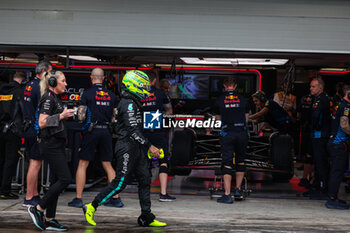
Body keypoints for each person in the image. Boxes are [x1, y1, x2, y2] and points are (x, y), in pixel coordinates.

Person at [83, 70, 166, 227]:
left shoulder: (134, 102)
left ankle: (146, 216)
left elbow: (136, 131)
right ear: (133, 86)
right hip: (126, 147)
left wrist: (145, 146)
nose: (146, 89)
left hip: (136, 147)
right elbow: (132, 130)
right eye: (142, 86)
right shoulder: (127, 103)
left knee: (144, 179)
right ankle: (91, 206)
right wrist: (150, 146)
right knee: (120, 183)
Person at [68, 68, 123, 208]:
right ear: (103, 78)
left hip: (91, 131)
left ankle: (78, 199)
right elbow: (115, 118)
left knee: (82, 164)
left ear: (91, 78)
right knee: (108, 165)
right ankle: (116, 198)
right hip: (106, 132)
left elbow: (80, 116)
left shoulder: (87, 94)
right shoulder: (112, 95)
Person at [27, 71, 75, 231]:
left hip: (57, 143)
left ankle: (50, 219)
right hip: (50, 144)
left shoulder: (54, 98)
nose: (66, 84)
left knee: (56, 181)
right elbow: (41, 122)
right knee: (65, 179)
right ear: (54, 83)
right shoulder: (48, 98)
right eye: (64, 81)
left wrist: (64, 115)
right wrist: (61, 116)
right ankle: (38, 208)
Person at [213, 77, 249, 204]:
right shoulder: (243, 99)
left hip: (228, 133)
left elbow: (218, 119)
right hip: (241, 133)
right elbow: (247, 118)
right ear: (235, 86)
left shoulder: (220, 99)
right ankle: (238, 190)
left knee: (227, 162)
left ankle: (227, 195)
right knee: (241, 161)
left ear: (224, 86)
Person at [141, 73, 175, 201]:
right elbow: (169, 112)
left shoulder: (138, 95)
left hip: (143, 133)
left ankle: (144, 193)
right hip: (158, 131)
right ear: (154, 80)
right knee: (163, 161)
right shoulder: (161, 94)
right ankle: (163, 193)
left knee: (144, 162)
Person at [23, 61, 52, 207]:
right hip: (35, 129)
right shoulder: (39, 87)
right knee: (35, 163)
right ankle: (29, 197)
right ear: (44, 72)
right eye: (50, 72)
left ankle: (34, 193)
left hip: (27, 128)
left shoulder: (28, 85)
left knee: (34, 163)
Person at [0, 71, 26, 199]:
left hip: (0, 129)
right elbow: (23, 111)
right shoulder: (19, 92)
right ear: (23, 81)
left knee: (1, 159)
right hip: (13, 130)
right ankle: (5, 190)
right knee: (10, 161)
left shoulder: (1, 90)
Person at [326, 86, 350, 210]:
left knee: (337, 171)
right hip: (338, 144)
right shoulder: (346, 106)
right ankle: (331, 199)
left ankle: (333, 197)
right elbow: (344, 125)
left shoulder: (339, 105)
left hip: (334, 142)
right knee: (337, 172)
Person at [309, 77, 331, 200]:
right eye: (311, 86)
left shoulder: (322, 99)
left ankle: (323, 189)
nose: (311, 88)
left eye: (313, 86)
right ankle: (317, 187)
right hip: (317, 135)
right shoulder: (317, 99)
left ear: (320, 88)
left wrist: (316, 128)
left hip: (320, 135)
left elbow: (318, 118)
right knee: (317, 163)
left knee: (321, 163)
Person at [297, 93, 314, 188]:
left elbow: (298, 115)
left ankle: (307, 178)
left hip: (306, 129)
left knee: (308, 155)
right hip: (311, 129)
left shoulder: (303, 98)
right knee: (309, 155)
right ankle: (310, 177)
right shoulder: (317, 100)